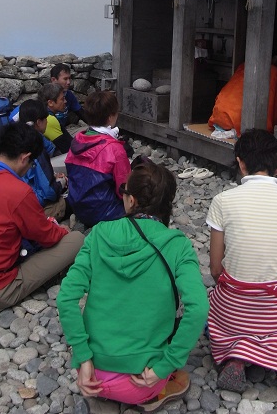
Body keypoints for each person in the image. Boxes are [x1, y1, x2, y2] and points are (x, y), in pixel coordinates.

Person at [57, 162, 209, 412]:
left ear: (130, 201)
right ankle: (153, 393)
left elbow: (66, 299)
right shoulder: (177, 245)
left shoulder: (99, 234)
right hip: (145, 377)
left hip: (92, 375)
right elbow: (199, 307)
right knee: (178, 371)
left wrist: (83, 358)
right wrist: (167, 363)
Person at [206, 129, 277, 394]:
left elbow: (216, 268)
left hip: (235, 306)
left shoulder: (222, 201)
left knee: (217, 313)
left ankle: (237, 356)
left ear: (240, 163)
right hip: (275, 308)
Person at [0, 123, 84, 311]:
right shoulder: (18, 191)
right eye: (31, 164)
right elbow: (45, 236)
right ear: (25, 158)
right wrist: (61, 230)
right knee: (76, 239)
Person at [65, 91, 131, 227]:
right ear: (111, 117)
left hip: (79, 207)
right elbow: (123, 189)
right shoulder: (114, 148)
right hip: (106, 213)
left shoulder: (78, 140)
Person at [19, 99, 68, 220]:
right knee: (69, 200)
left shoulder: (17, 139)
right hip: (32, 206)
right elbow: (49, 192)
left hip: (19, 201)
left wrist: (52, 176)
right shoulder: (36, 148)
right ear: (38, 122)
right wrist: (60, 183)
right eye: (45, 119)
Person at [208, 57, 277, 136]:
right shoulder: (274, 72)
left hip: (218, 116)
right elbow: (274, 105)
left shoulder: (244, 66)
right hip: (237, 123)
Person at [38, 83, 73, 154]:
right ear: (50, 103)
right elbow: (67, 148)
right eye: (62, 99)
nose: (65, 101)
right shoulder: (49, 120)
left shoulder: (44, 113)